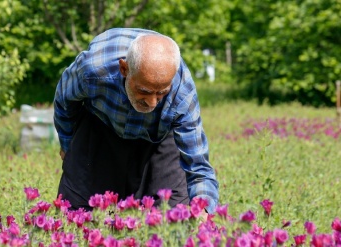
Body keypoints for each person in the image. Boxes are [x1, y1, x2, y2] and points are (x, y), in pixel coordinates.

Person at [53, 28, 219, 215]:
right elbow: (64, 100)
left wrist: (203, 210)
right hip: (100, 126)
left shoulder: (182, 92)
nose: (152, 102)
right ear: (124, 69)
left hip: (158, 137)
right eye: (145, 91)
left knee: (172, 216)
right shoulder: (93, 70)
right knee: (78, 208)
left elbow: (198, 165)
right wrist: (67, 145)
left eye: (161, 93)